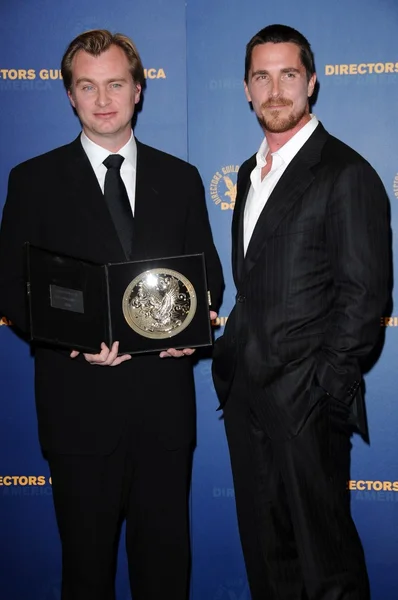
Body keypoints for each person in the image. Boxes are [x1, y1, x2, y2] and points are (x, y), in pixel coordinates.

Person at [0, 29, 223, 600]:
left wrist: (188, 334)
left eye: (116, 84)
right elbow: (12, 289)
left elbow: (208, 281)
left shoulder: (181, 178)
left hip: (164, 415)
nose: (103, 99)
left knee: (166, 575)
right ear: (70, 96)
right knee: (86, 574)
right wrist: (68, 337)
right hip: (78, 414)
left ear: (139, 89)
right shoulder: (32, 180)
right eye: (88, 86)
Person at [212, 23, 391, 600]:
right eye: (261, 77)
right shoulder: (247, 173)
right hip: (247, 399)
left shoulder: (346, 172)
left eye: (288, 74)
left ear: (311, 82)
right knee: (268, 560)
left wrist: (322, 388)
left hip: (307, 408)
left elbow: (366, 300)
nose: (275, 89)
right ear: (245, 89)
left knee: (326, 565)